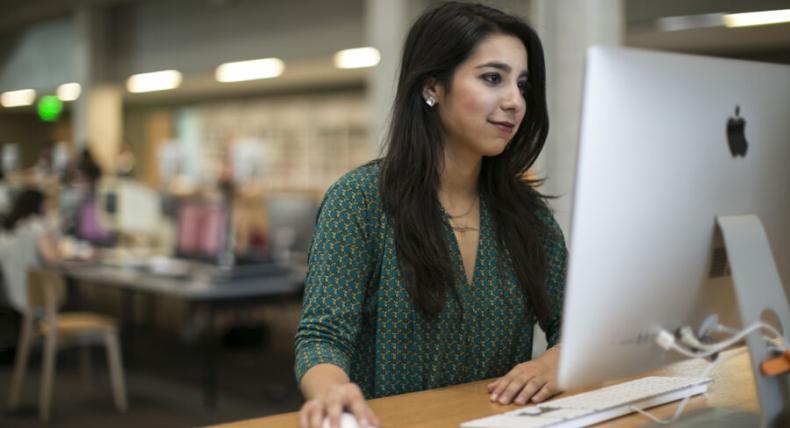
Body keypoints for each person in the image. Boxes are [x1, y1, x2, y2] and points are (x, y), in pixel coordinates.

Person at [295, 3, 567, 427]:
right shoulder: (360, 201)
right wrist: (332, 391)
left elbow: (575, 324)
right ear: (432, 87)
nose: (515, 101)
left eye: (523, 84)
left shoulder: (527, 213)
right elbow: (321, 338)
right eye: (492, 78)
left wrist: (555, 361)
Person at [0, 189, 62, 314]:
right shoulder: (36, 225)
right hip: (36, 298)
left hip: (11, 297)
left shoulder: (8, 228)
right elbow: (51, 257)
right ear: (39, 205)